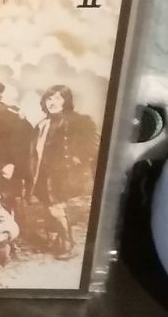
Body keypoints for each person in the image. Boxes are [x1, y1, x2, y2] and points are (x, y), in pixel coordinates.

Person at [10, 85, 101, 254]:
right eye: (49, 99)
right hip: (42, 174)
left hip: (63, 174)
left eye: (58, 98)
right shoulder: (43, 124)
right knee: (48, 206)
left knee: (56, 207)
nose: (52, 103)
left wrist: (75, 160)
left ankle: (67, 243)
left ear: (66, 101)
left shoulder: (79, 121)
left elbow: (93, 145)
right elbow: (33, 151)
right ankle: (56, 240)